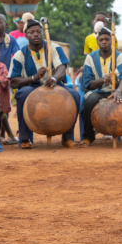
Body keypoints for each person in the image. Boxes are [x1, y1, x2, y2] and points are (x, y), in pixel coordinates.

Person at [8, 14, 80, 149]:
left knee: (75, 95)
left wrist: (53, 78)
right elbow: (14, 81)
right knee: (23, 94)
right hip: (31, 87)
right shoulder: (19, 55)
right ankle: (25, 138)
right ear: (26, 35)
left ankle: (67, 137)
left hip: (55, 84)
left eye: (38, 31)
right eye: (31, 32)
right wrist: (34, 77)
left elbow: (61, 68)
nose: (36, 34)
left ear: (42, 33)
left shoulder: (54, 47)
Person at [79, 27, 122, 147]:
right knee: (89, 102)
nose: (104, 42)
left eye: (107, 39)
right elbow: (87, 83)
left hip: (119, 91)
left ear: (112, 41)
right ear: (97, 42)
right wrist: (101, 81)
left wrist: (119, 91)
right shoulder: (90, 58)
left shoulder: (121, 57)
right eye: (101, 40)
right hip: (98, 91)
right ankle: (88, 137)